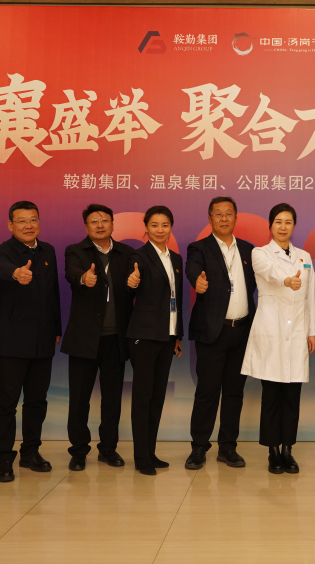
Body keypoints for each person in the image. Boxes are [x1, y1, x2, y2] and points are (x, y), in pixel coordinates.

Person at [242, 203, 315, 474]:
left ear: (294, 226)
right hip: (271, 332)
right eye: (278, 222)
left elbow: (312, 295)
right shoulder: (260, 253)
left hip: (297, 332)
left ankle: (288, 450)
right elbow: (269, 273)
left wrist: (312, 331)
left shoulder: (304, 256)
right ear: (270, 226)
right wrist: (287, 280)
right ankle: (272, 451)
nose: (283, 227)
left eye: (288, 222)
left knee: (292, 396)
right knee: (272, 395)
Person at [184, 196, 258, 470]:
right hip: (212, 332)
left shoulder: (249, 250)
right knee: (207, 392)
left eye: (229, 213)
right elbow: (192, 269)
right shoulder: (199, 248)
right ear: (210, 219)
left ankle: (228, 447)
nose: (224, 218)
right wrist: (197, 281)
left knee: (234, 393)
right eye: (218, 214)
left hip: (242, 332)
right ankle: (199, 447)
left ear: (236, 218)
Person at [0, 200, 62, 482]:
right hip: (14, 339)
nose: (28, 226)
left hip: (43, 338)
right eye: (21, 221)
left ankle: (31, 452)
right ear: (11, 225)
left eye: (33, 220)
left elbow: (54, 292)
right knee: (7, 402)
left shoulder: (48, 250)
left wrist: (56, 327)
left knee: (37, 401)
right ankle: (4, 458)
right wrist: (17, 273)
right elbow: (3, 268)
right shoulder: (1, 251)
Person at [62, 203, 135, 470]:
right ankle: (79, 451)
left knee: (112, 398)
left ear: (113, 224)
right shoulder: (76, 251)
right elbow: (71, 273)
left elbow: (134, 284)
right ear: (86, 226)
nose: (100, 225)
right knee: (79, 398)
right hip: (84, 338)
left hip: (116, 337)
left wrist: (135, 282)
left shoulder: (127, 253)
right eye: (94, 221)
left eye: (105, 220)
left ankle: (108, 449)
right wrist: (83, 278)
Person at [126, 206, 186, 475]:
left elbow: (176, 300)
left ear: (171, 227)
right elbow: (131, 284)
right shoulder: (138, 256)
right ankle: (141, 457)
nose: (160, 230)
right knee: (143, 397)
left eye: (165, 225)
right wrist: (132, 281)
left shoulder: (176, 258)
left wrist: (176, 335)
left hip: (166, 336)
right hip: (144, 336)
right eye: (154, 225)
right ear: (146, 228)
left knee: (157, 396)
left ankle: (150, 451)